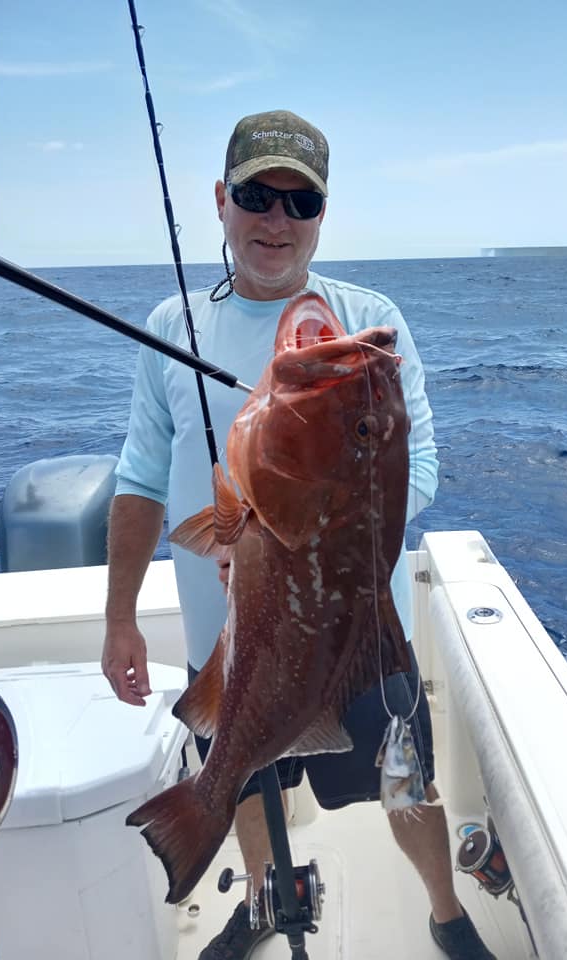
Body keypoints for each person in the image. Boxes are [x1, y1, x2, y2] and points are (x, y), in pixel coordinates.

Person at [101, 110, 496, 960]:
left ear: (323, 214)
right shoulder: (171, 327)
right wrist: (119, 617)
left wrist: (326, 503)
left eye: (300, 202)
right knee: (247, 776)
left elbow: (417, 462)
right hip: (232, 644)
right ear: (220, 201)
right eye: (256, 195)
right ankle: (258, 905)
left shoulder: (371, 323)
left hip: (358, 635)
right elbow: (137, 479)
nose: (277, 221)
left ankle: (445, 910)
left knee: (405, 782)